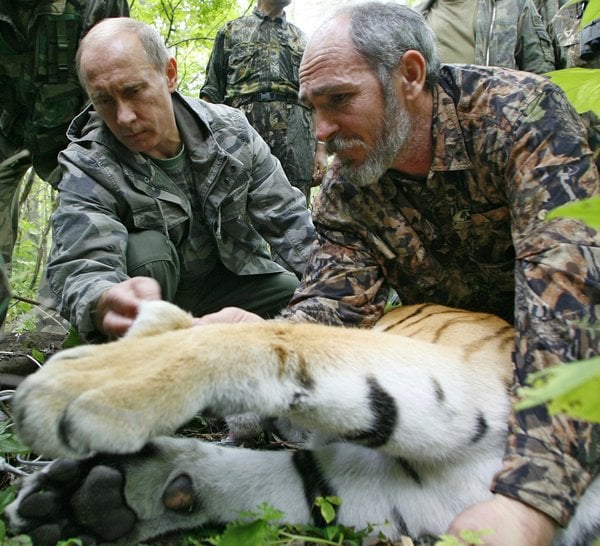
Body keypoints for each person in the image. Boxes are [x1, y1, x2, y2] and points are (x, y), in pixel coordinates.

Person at [278, 3, 599, 545]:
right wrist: (259, 344)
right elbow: (334, 305)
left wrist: (532, 503)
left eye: (339, 100)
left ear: (409, 75)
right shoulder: (350, 183)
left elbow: (569, 305)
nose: (322, 130)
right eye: (312, 107)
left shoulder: (519, 116)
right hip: (477, 355)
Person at [45, 16, 315, 343]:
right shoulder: (88, 163)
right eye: (104, 100)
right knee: (147, 251)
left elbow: (290, 223)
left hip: (228, 289)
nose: (124, 117)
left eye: (134, 91)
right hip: (148, 314)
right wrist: (105, 300)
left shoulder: (233, 135)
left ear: (169, 74)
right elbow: (81, 262)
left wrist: (345, 291)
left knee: (298, 296)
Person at [0, 0, 130, 276]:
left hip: (80, 134)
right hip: (8, 128)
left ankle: (59, 317)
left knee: (84, 236)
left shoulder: (96, 3)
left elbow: (115, 81)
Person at [199, 0, 328, 200]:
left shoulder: (303, 40)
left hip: (296, 138)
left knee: (294, 205)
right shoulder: (231, 31)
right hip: (240, 135)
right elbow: (211, 93)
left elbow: (318, 99)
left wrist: (321, 150)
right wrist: (208, 146)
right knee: (239, 204)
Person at [418, 0, 557, 72]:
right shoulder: (415, 18)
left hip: (501, 118)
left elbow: (540, 72)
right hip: (440, 121)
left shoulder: (512, 5)